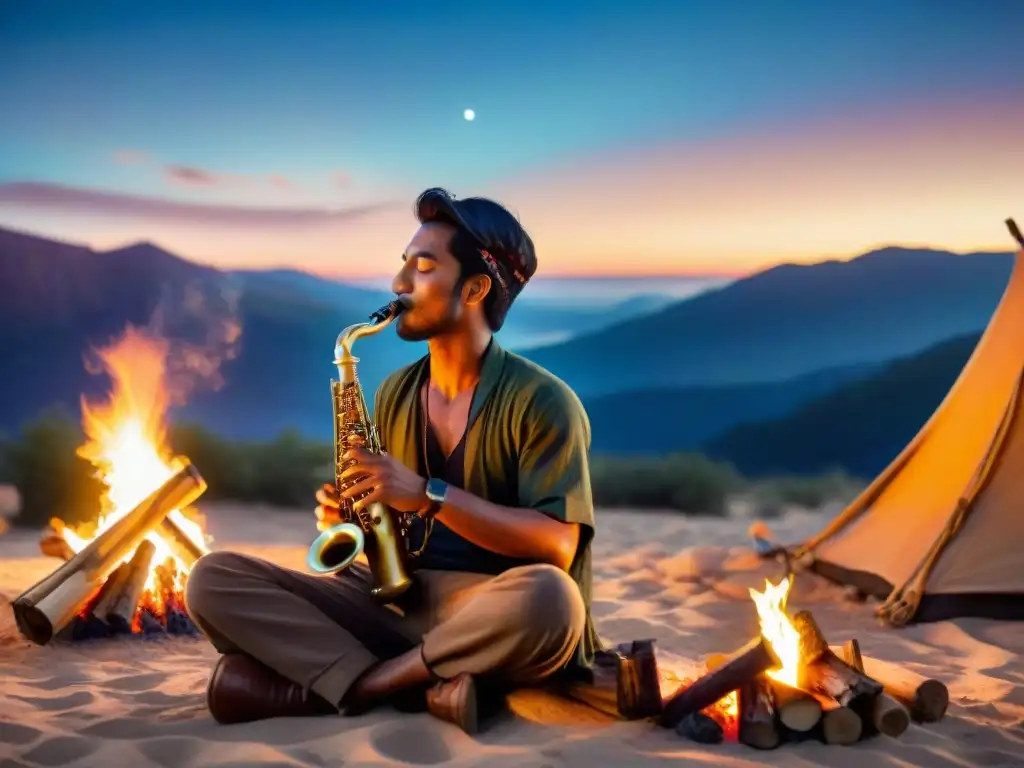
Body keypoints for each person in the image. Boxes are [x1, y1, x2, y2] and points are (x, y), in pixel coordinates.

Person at [185, 187, 600, 734]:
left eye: (423, 267)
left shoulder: (543, 402)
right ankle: (425, 683)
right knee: (211, 579)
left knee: (553, 600)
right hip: (396, 596)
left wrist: (429, 495)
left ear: (475, 288)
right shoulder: (395, 393)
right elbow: (395, 525)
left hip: (491, 608)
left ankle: (363, 685)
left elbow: (557, 544)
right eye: (403, 264)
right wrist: (356, 517)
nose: (399, 284)